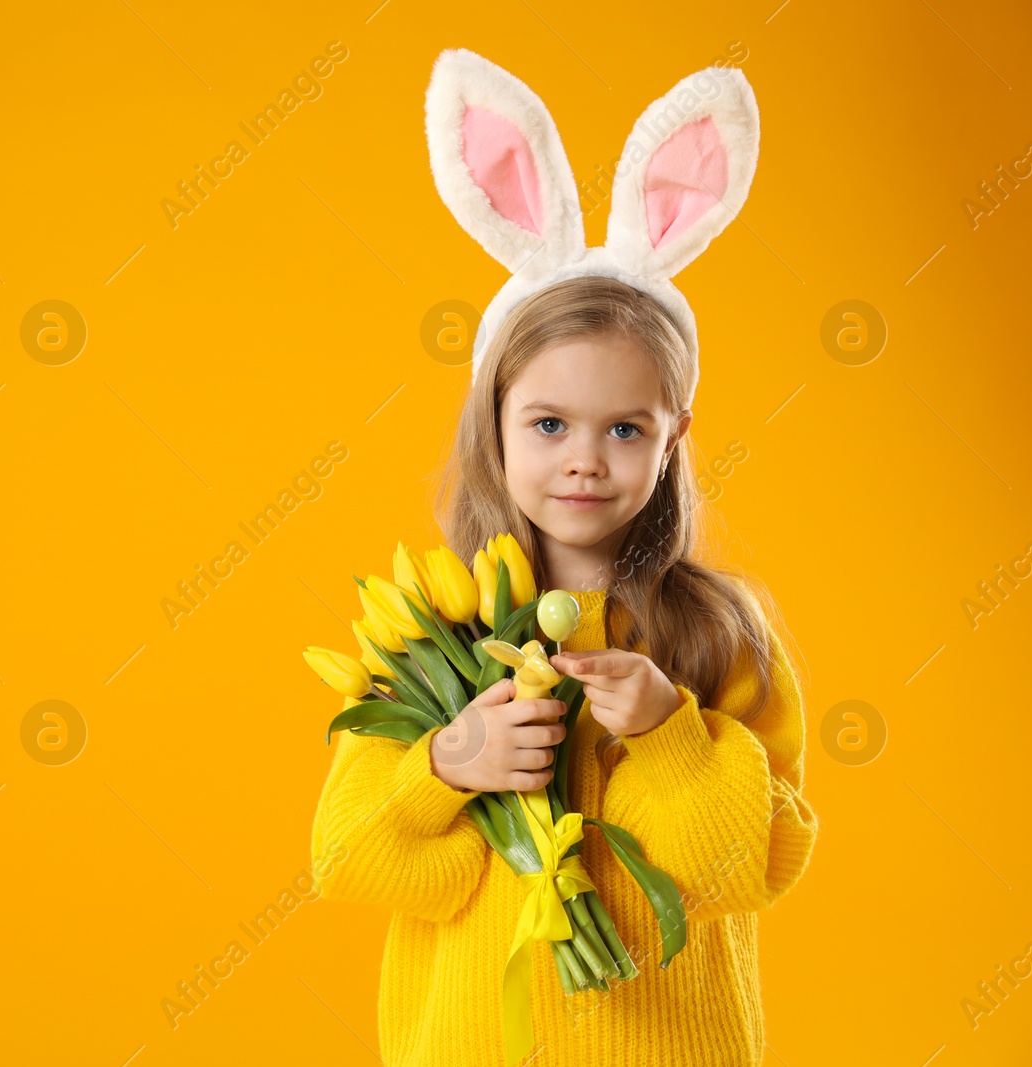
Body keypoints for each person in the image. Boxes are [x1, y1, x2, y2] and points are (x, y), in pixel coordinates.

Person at [309, 50, 815, 1067]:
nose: (584, 458)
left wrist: (673, 732)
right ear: (491, 427)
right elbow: (347, 858)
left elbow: (757, 858)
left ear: (674, 434)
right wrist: (447, 764)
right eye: (548, 422)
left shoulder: (715, 631)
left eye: (623, 429)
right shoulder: (429, 633)